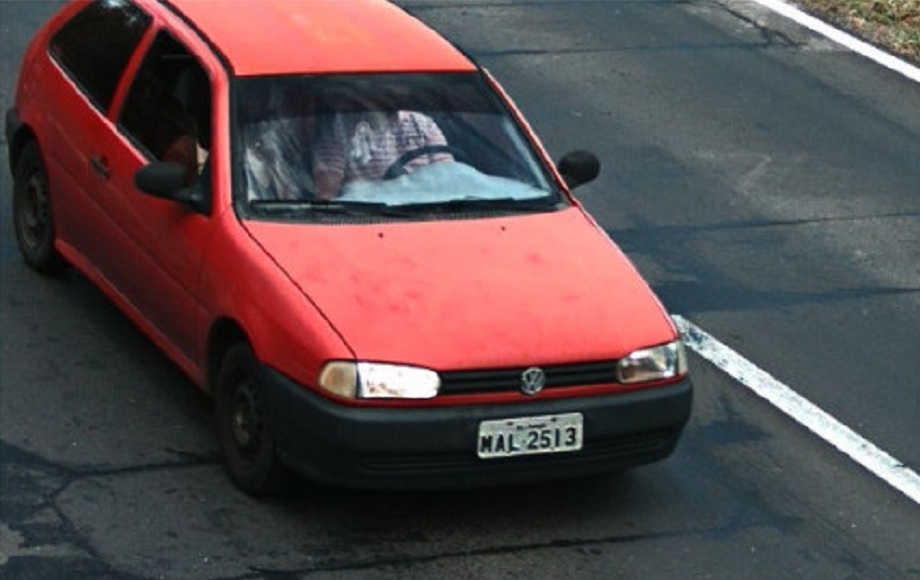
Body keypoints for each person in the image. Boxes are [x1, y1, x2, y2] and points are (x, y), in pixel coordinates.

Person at [311, 108, 453, 199]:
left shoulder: (422, 124)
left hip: (429, 213)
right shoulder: (339, 129)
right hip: (364, 219)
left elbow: (447, 176)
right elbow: (327, 192)